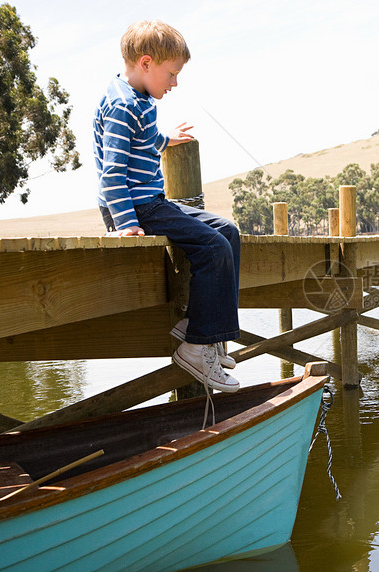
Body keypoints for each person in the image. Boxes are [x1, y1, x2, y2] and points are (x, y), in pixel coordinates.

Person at [93, 20, 241, 392]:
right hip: (135, 207)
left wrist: (165, 140)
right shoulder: (123, 105)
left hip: (150, 202)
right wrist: (125, 224)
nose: (174, 84)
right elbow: (112, 174)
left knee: (228, 231)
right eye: (171, 74)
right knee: (213, 247)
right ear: (146, 63)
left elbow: (141, 141)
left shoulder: (138, 99)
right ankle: (196, 347)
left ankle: (201, 329)